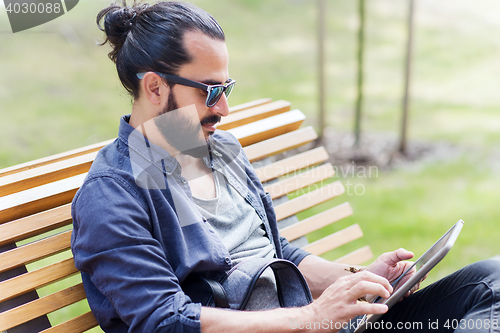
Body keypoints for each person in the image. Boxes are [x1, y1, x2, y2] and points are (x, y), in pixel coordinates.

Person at [71, 1, 500, 332]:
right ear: (155, 86)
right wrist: (311, 318)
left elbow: (275, 253)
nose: (224, 107)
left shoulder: (218, 151)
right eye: (210, 90)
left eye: (227, 87)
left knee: (492, 280)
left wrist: (356, 277)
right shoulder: (113, 193)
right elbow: (165, 320)